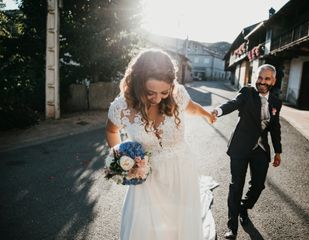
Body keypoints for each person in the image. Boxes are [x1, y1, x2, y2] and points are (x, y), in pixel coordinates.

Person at [105, 48, 217, 240]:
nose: (157, 98)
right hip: (147, 177)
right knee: (147, 227)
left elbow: (193, 108)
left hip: (181, 170)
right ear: (138, 82)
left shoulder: (178, 94)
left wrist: (208, 115)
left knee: (179, 223)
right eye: (150, 92)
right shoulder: (122, 106)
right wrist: (122, 160)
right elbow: (111, 131)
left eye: (164, 92)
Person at [212, 64, 282, 239]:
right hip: (241, 147)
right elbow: (233, 104)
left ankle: (243, 207)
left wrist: (278, 151)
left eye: (266, 78)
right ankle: (232, 227)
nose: (262, 82)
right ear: (255, 77)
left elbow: (275, 127)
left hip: (261, 149)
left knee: (258, 185)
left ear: (273, 80)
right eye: (260, 77)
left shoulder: (276, 102)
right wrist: (218, 110)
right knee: (236, 185)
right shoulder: (247, 92)